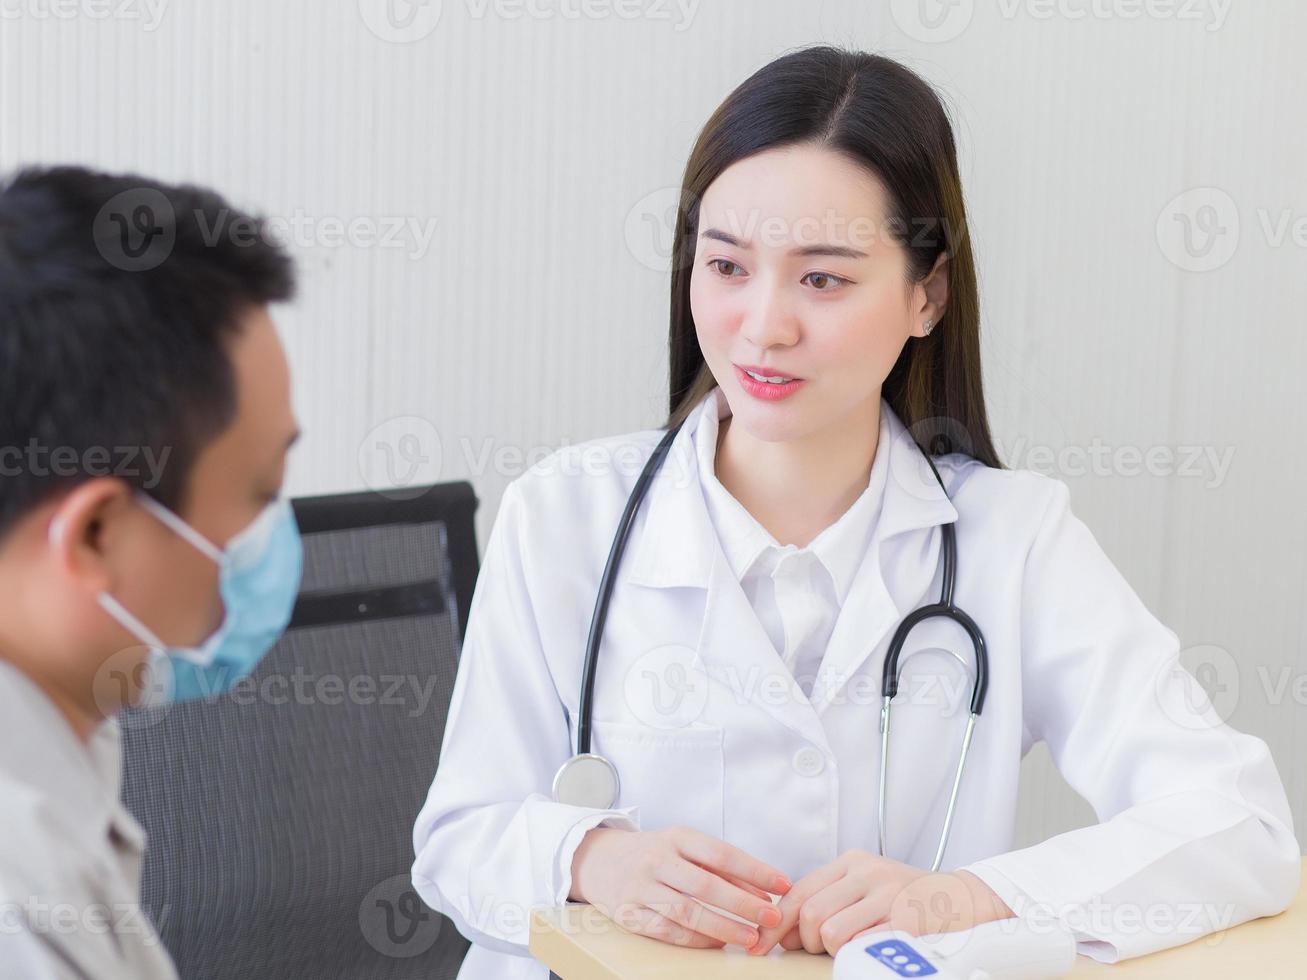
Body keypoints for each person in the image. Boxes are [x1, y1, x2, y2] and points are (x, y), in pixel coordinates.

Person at [411, 47, 1300, 977]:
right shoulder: (564, 515)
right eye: (725, 266)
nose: (762, 325)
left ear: (927, 294)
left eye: (822, 278)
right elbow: (459, 840)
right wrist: (591, 859)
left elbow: (1238, 823)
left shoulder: (1012, 540)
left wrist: (967, 897)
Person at [0, 166, 303, 979]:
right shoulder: (19, 916)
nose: (275, 544)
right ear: (95, 533)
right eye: (259, 494)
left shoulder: (64, 739)